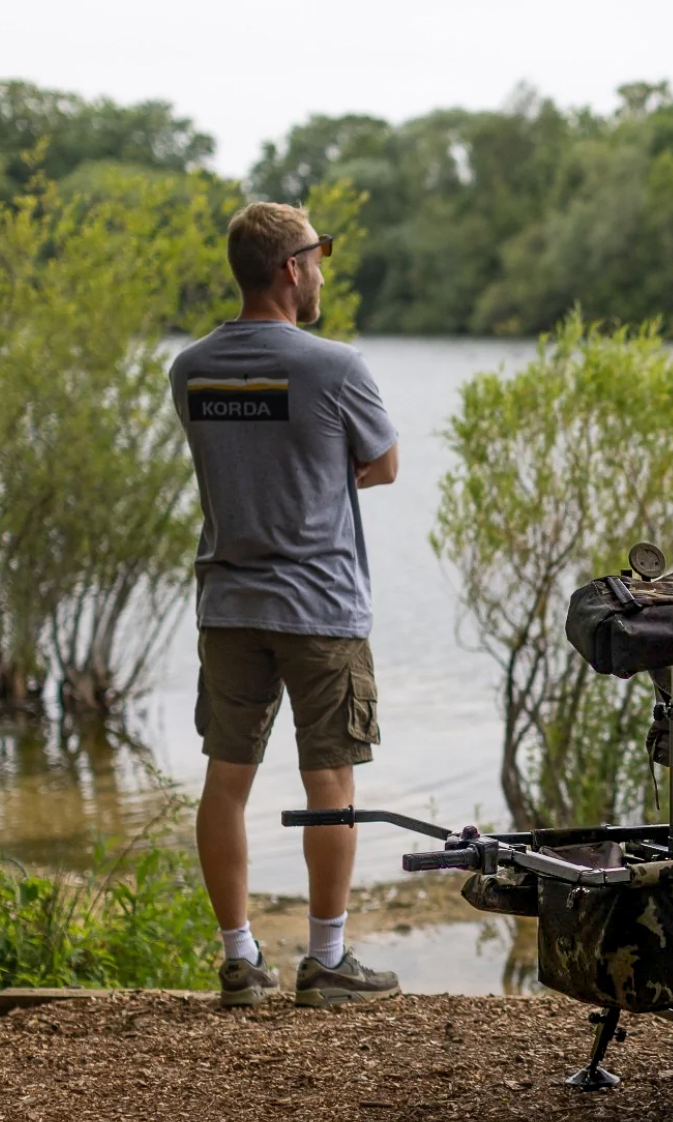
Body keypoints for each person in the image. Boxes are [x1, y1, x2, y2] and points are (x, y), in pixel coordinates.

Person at [169, 202, 402, 1010]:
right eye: (321, 256)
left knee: (224, 780)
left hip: (228, 602)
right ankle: (328, 960)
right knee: (329, 780)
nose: (326, 272)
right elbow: (382, 465)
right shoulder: (336, 367)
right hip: (320, 607)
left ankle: (240, 961)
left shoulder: (189, 368)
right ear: (291, 269)